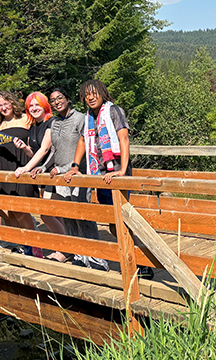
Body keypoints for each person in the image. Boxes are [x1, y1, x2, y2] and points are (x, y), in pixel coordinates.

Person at [64, 80, 152, 277]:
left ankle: (143, 261)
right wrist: (75, 166)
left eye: (95, 93)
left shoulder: (114, 111)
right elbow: (83, 140)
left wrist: (122, 172)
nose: (91, 96)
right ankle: (134, 258)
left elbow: (124, 139)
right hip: (101, 176)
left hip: (117, 173)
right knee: (113, 223)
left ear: (103, 93)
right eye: (87, 94)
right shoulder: (89, 117)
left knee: (123, 220)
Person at [30, 88, 106, 268]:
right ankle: (79, 254)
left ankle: (96, 258)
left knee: (83, 216)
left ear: (68, 99)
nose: (57, 102)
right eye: (53, 100)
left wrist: (67, 167)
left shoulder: (81, 119)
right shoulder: (54, 122)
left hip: (79, 174)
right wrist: (43, 166)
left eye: (60, 98)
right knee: (68, 217)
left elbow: (87, 145)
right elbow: (54, 150)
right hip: (61, 177)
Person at [0, 91, 39, 255]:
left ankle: (35, 244)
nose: (3, 108)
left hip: (22, 165)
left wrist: (24, 148)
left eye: (5, 103)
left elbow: (36, 148)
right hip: (4, 167)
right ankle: (22, 244)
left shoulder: (26, 119)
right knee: (9, 210)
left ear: (12, 103)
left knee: (21, 209)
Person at [13, 92, 65, 236]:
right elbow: (34, 152)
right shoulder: (33, 126)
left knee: (46, 214)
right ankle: (65, 247)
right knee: (54, 214)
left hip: (54, 172)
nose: (34, 108)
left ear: (45, 106)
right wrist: (24, 147)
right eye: (31, 106)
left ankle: (64, 247)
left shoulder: (52, 122)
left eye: (37, 105)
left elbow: (45, 149)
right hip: (42, 173)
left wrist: (26, 168)